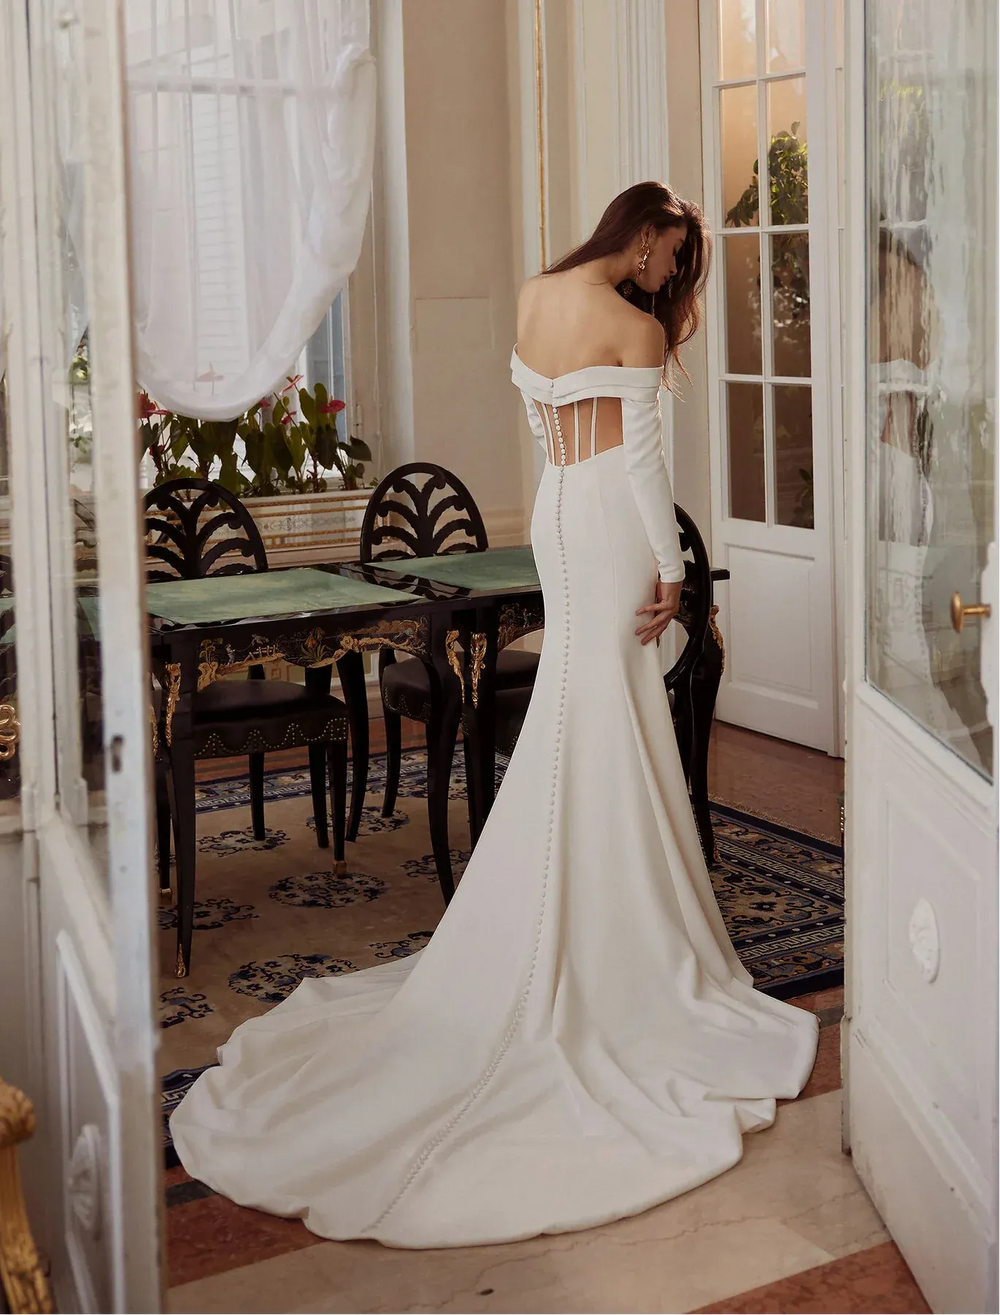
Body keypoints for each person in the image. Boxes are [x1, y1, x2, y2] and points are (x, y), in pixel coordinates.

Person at [171, 181, 818, 1249]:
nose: (671, 275)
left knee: (576, 701)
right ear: (643, 236)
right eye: (672, 255)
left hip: (559, 510)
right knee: (606, 707)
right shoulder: (630, 325)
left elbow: (543, 423)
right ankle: (615, 931)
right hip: (612, 520)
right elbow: (643, 460)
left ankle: (566, 899)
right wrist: (673, 570)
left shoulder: (533, 296)